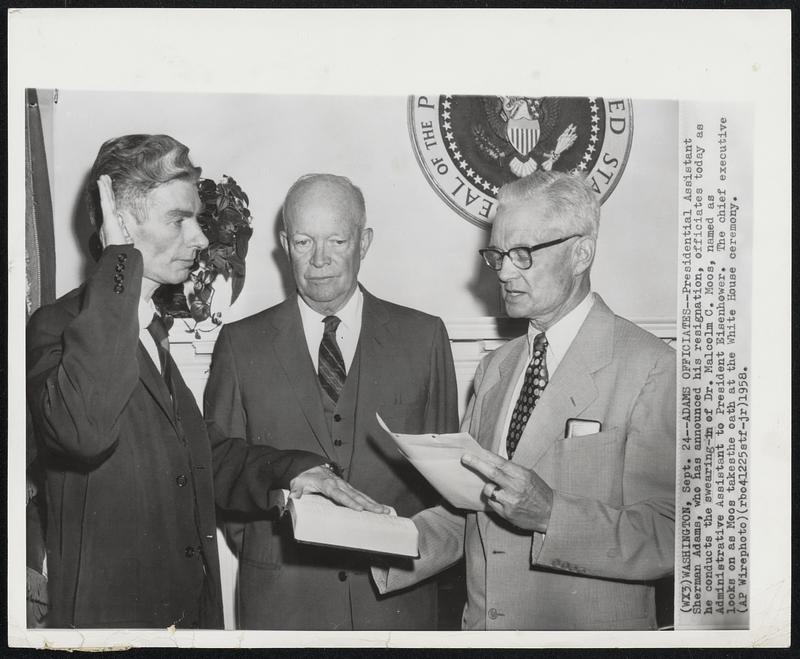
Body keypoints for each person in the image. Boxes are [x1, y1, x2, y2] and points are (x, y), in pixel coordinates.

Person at [26, 135, 388, 629]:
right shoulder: (58, 328)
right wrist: (118, 262)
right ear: (123, 222)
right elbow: (85, 432)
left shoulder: (151, 329)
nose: (199, 238)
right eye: (179, 219)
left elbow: (198, 457)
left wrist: (294, 471)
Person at [372, 170, 676, 630]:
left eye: (522, 254)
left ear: (581, 253)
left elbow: (672, 535)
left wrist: (552, 514)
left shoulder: (652, 366)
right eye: (498, 254)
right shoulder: (497, 367)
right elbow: (472, 515)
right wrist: (374, 538)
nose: (504, 272)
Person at [204, 173, 459, 630]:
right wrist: (278, 546)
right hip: (282, 605)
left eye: (336, 241)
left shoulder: (423, 338)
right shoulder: (240, 345)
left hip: (397, 608)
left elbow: (444, 490)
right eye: (303, 242)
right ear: (284, 244)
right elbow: (219, 470)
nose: (319, 260)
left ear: (364, 242)